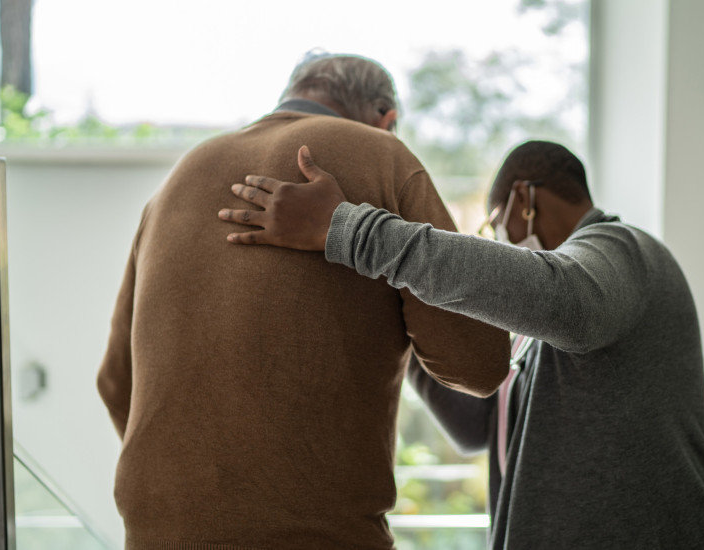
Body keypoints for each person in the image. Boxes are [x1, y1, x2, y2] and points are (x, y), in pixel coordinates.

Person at [218, 140, 704, 549]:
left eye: (496, 224)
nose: (498, 238)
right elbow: (476, 428)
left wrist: (354, 233)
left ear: (524, 197)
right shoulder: (535, 334)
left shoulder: (622, 248)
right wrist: (401, 306)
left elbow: (568, 305)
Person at [97, 52, 510, 550]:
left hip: (155, 535)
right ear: (387, 119)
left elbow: (115, 382)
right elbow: (479, 362)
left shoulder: (175, 182)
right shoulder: (381, 154)